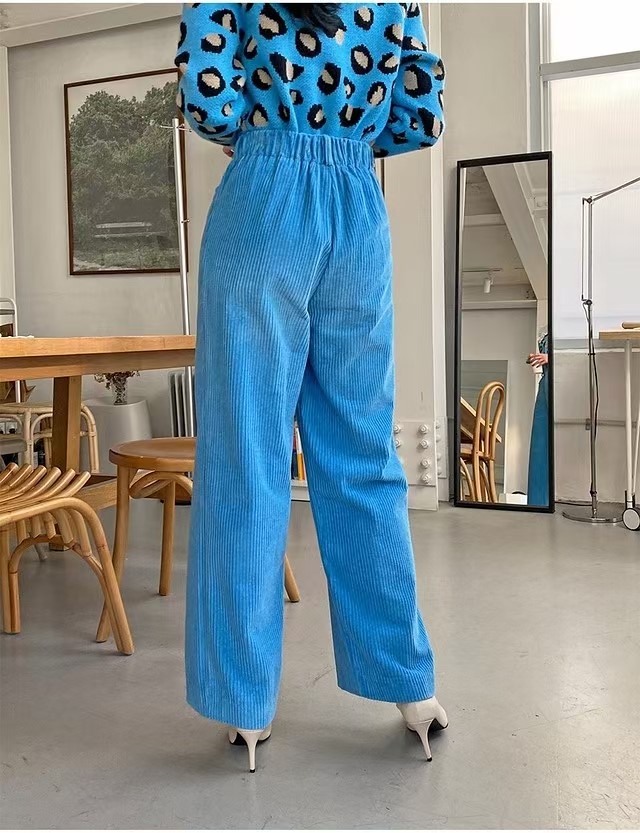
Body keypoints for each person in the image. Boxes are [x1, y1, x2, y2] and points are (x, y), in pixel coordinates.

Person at [177, 2, 447, 772]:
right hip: (358, 208)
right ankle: (410, 687)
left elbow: (208, 101)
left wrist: (265, 132)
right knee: (364, 457)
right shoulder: (396, 3)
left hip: (261, 202)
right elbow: (422, 114)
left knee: (247, 459)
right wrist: (347, 137)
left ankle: (244, 703)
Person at [527, 331, 550, 506]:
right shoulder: (546, 331)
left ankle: (544, 501)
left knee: (546, 443)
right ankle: (537, 502)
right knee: (539, 445)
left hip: (554, 383)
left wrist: (549, 358)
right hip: (545, 383)